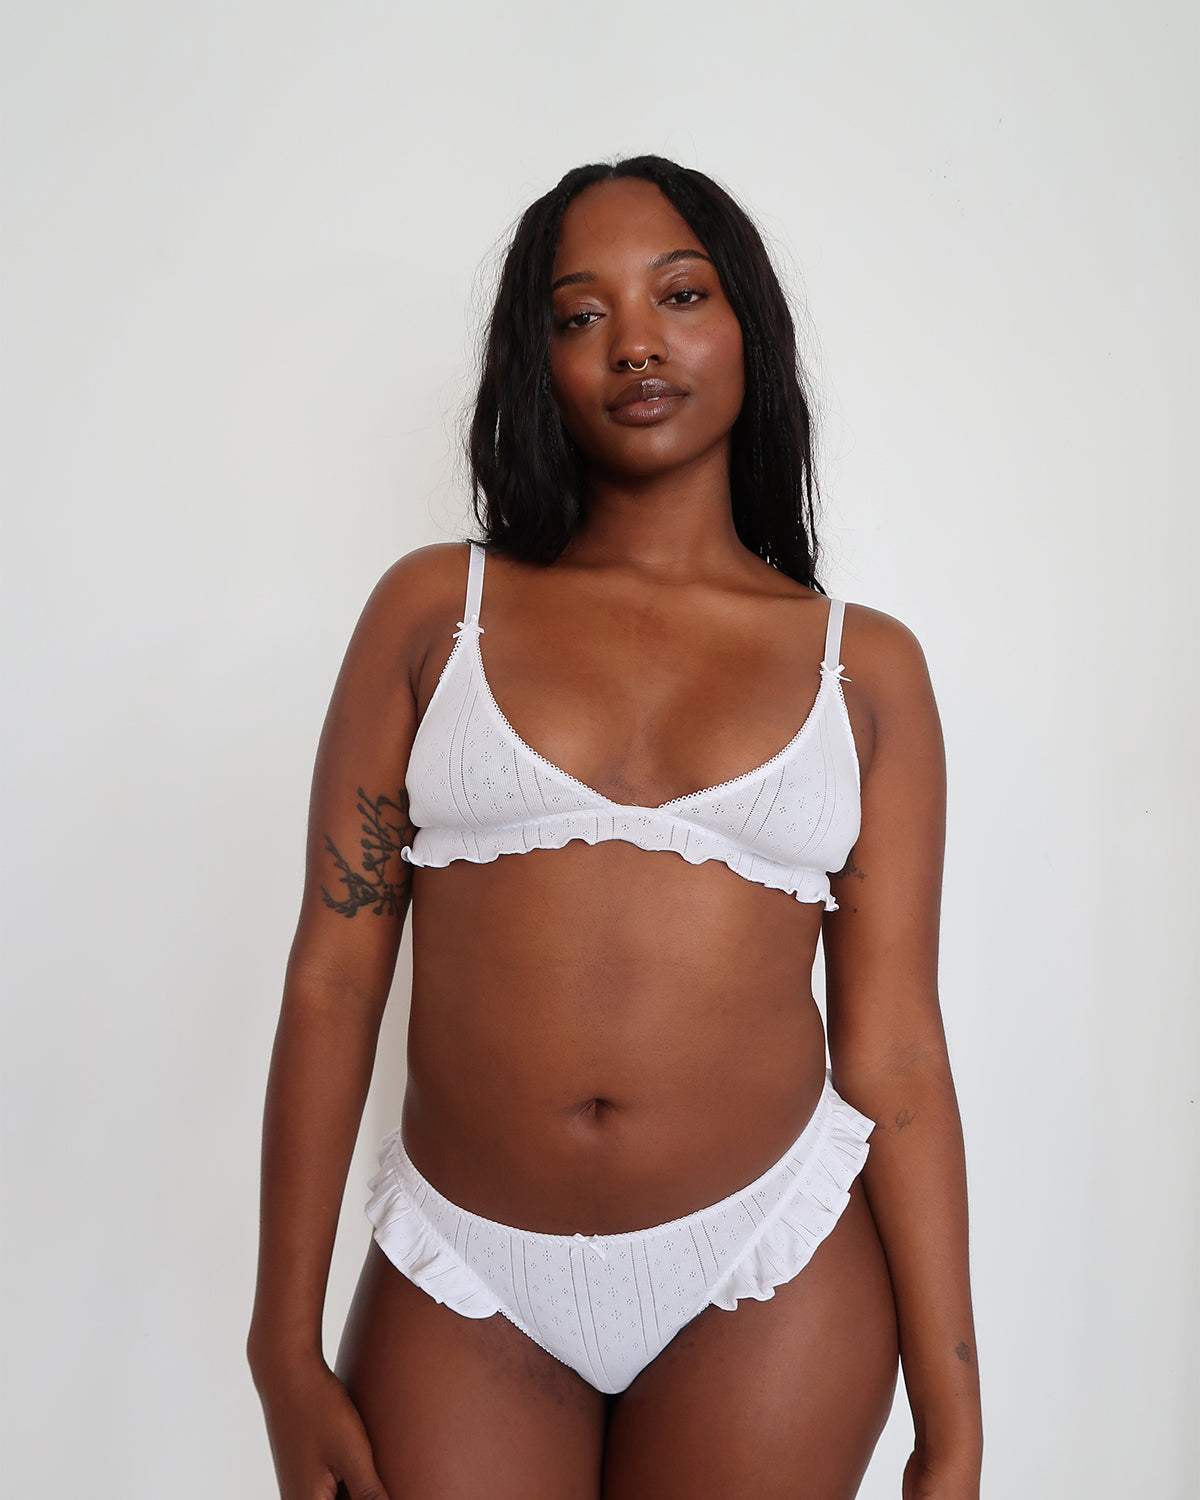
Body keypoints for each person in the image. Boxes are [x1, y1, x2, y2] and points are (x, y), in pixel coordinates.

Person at [247, 154, 983, 1500]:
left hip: (769, 1271)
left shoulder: (862, 668)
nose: (634, 342)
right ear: (536, 365)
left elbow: (895, 1049)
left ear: (749, 324)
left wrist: (955, 1422)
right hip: (464, 1276)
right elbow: (334, 977)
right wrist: (280, 1349)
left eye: (680, 295)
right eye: (579, 315)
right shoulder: (435, 614)